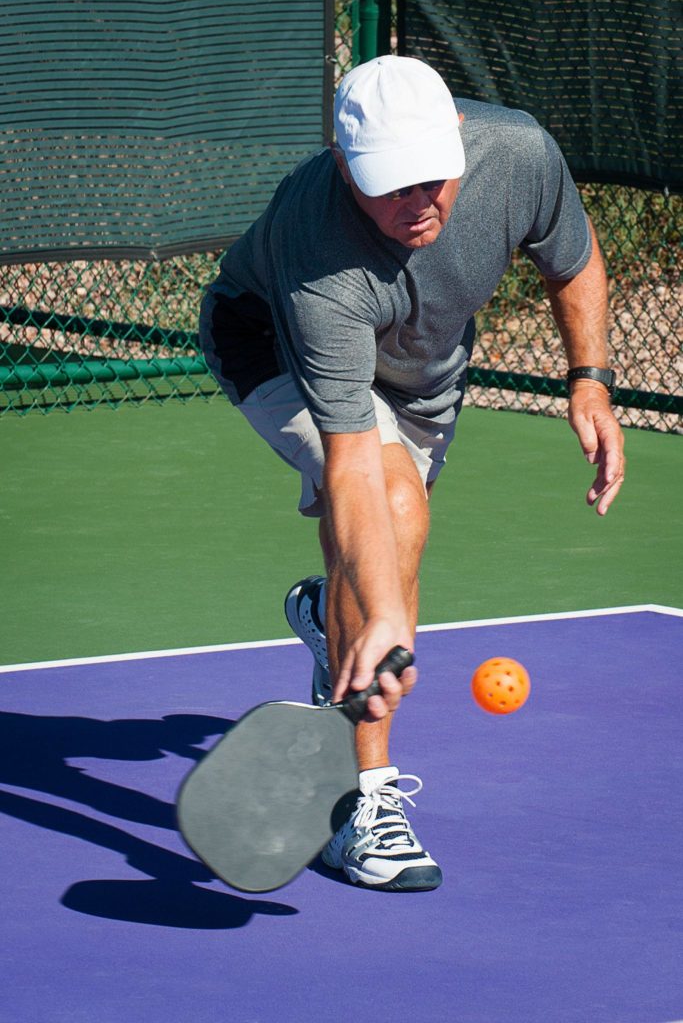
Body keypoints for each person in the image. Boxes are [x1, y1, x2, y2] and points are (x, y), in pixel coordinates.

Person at [199, 55, 625, 892]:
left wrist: (589, 381)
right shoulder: (318, 253)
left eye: (433, 176)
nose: (418, 201)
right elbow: (356, 461)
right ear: (342, 165)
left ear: (459, 138)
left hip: (423, 372)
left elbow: (571, 259)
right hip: (270, 344)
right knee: (390, 510)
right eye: (389, 184)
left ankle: (335, 615)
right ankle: (358, 804)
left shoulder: (517, 154)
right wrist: (387, 614)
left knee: (386, 548)